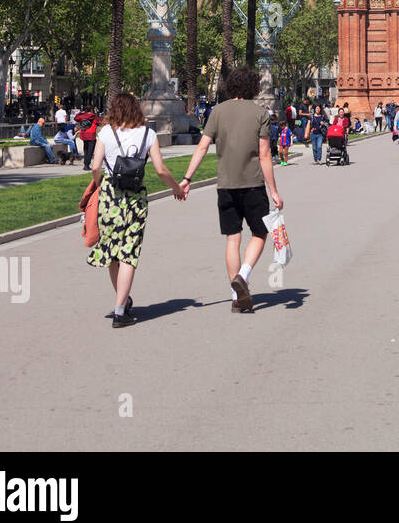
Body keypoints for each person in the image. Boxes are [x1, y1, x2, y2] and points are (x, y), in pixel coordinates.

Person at [179, 67, 284, 313]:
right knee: (260, 233)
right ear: (253, 87)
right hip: (253, 184)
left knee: (232, 238)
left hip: (225, 185)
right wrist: (274, 191)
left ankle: (235, 297)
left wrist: (186, 178)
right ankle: (243, 277)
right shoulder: (260, 113)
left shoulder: (217, 112)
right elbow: (265, 154)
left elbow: (202, 147)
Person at [88, 92, 186, 328]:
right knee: (129, 252)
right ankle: (121, 309)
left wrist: (98, 183)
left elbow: (95, 166)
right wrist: (177, 188)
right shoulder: (148, 134)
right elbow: (161, 170)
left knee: (112, 251)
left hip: (110, 195)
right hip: (135, 198)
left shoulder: (106, 133)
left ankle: (121, 300)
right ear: (137, 110)